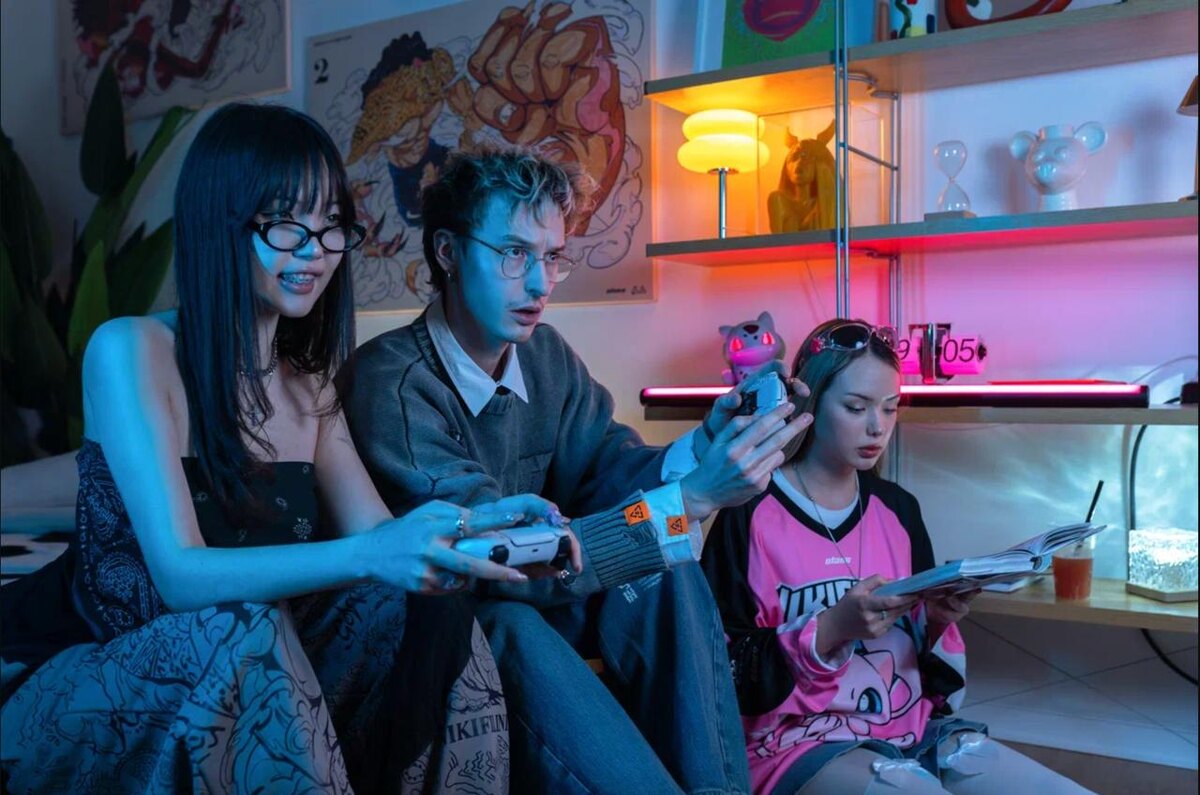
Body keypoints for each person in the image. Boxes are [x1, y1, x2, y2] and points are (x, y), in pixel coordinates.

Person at [0, 102, 561, 793]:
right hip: (84, 665)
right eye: (286, 223)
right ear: (222, 222)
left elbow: (378, 535)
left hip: (238, 669)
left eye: (330, 224)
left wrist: (487, 530)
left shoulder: (308, 382)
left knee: (422, 608)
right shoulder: (131, 349)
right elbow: (179, 576)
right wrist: (371, 555)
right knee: (248, 629)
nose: (316, 250)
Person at [344, 147, 810, 794]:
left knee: (663, 567)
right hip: (442, 631)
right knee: (512, 625)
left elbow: (610, 468)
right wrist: (692, 501)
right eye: (514, 254)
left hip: (538, 600)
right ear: (448, 252)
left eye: (552, 257)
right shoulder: (392, 384)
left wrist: (704, 445)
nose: (540, 284)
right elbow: (498, 559)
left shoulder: (545, 356)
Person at [700, 318, 1095, 795]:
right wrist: (833, 628)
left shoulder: (898, 509)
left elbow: (929, 672)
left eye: (890, 408)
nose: (877, 427)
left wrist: (936, 618)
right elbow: (719, 673)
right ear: (809, 404)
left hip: (908, 730)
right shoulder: (748, 514)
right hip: (792, 746)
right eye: (856, 407)